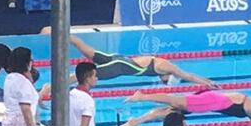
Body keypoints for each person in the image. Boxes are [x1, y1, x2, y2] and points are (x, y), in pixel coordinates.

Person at [41, 28, 215, 88]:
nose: (162, 81)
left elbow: (188, 74)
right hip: (118, 66)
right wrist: (203, 82)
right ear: (169, 76)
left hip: (118, 58)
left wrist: (206, 79)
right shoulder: (167, 67)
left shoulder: (159, 63)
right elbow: (187, 75)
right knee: (79, 77)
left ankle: (55, 31)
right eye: (165, 81)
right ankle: (49, 87)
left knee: (84, 48)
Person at [121, 90, 251, 126]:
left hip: (210, 101)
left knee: (170, 112)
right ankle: (142, 96)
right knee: (175, 101)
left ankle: (136, 121)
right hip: (211, 101)